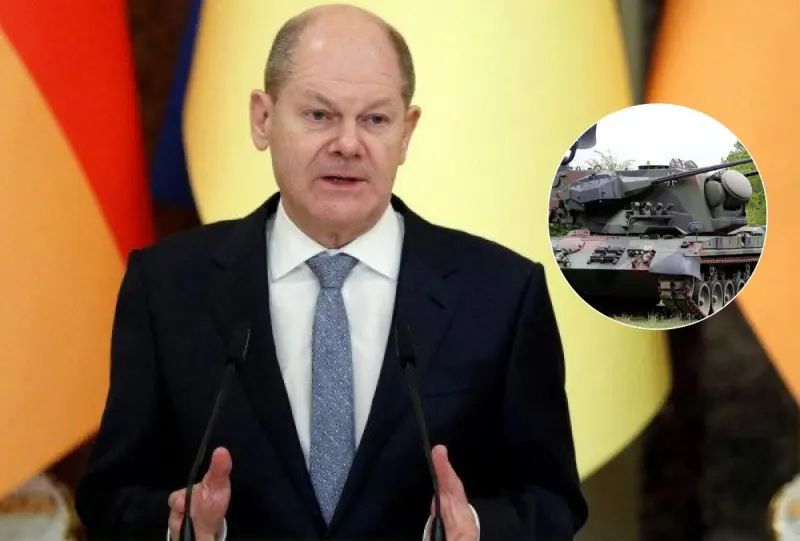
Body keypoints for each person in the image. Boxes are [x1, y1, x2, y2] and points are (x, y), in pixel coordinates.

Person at [75, 4, 588, 540]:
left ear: (406, 132)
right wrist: (178, 526)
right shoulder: (167, 287)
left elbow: (551, 502)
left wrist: (477, 529)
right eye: (319, 115)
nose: (347, 144)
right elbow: (109, 494)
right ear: (263, 119)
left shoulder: (502, 294)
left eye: (375, 119)